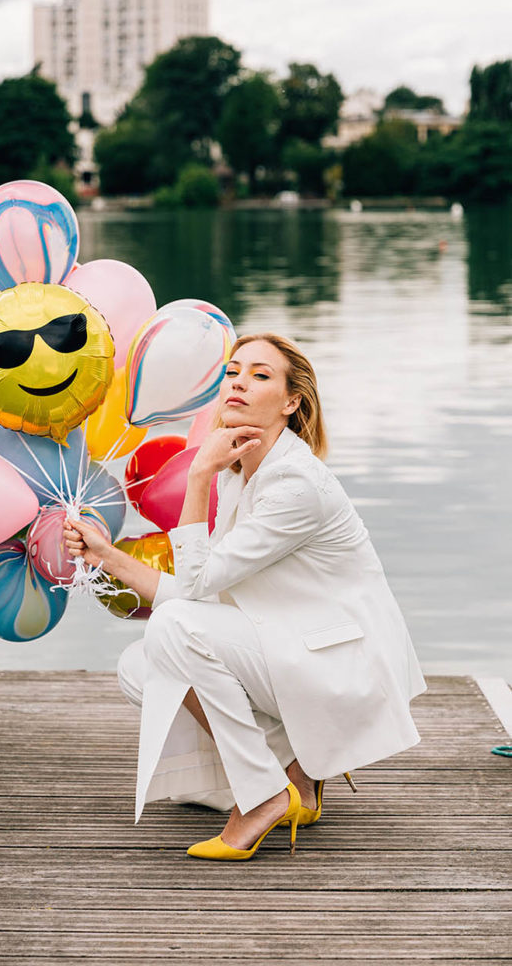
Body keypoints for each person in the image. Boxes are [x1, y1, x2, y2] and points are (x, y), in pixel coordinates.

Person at [64, 333, 426, 861]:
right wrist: (107, 556)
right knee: (140, 665)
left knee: (172, 630)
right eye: (234, 371)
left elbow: (190, 592)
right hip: (295, 646)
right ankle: (293, 768)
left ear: (291, 401)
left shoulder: (295, 485)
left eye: (260, 374)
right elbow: (197, 595)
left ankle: (263, 797)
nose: (239, 381)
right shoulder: (245, 469)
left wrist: (197, 475)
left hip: (341, 664)